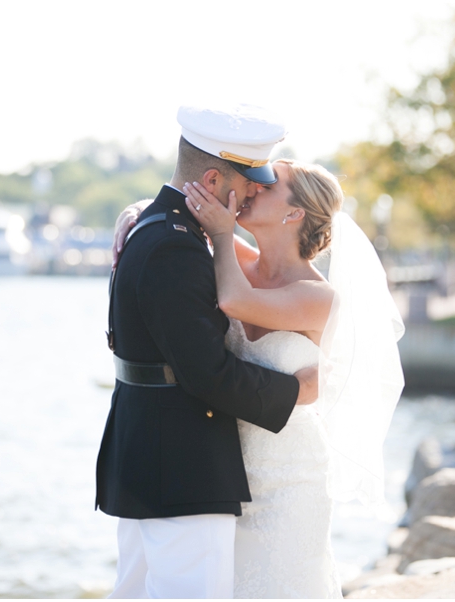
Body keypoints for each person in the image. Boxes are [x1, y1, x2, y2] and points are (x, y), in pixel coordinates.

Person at [114, 157, 405, 598]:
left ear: (294, 213)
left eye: (268, 185)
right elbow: (181, 229)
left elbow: (233, 299)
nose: (251, 188)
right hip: (224, 468)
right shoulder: (237, 258)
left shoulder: (318, 297)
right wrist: (137, 211)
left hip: (291, 473)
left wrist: (222, 232)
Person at [95, 103, 321, 599]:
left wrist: (140, 208)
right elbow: (206, 374)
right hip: (180, 466)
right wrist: (295, 390)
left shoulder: (165, 229)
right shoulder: (177, 243)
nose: (254, 192)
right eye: (250, 183)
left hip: (150, 457)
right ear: (215, 179)